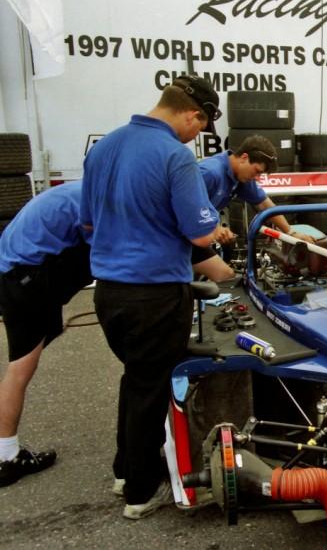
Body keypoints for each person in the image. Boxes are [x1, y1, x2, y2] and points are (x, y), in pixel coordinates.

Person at [80, 75, 221, 519]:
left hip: (109, 294)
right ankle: (141, 493)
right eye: (200, 126)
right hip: (155, 295)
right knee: (151, 389)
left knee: (136, 380)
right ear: (192, 114)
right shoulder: (174, 156)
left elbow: (86, 224)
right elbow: (200, 234)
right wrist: (216, 229)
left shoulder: (103, 147)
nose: (197, 135)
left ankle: (125, 469)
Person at [0, 182, 93, 487]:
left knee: (40, 342)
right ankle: (6, 457)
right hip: (24, 275)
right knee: (21, 368)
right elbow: (108, 250)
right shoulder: (92, 203)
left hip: (19, 267)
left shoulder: (82, 189)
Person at [192, 135, 314, 282]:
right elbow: (186, 205)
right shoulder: (210, 173)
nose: (258, 178)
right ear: (244, 157)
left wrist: (291, 232)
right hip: (173, 234)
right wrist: (214, 227)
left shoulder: (240, 176)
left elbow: (266, 205)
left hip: (193, 235)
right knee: (217, 276)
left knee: (225, 275)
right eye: (257, 171)